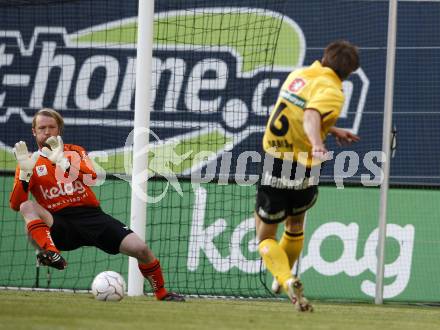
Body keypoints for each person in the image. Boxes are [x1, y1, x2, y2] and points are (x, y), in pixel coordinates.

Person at [9, 108, 184, 302]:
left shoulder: (74, 152)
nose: (47, 132)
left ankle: (162, 293)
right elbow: (16, 204)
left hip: (91, 217)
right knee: (28, 207)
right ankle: (51, 253)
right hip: (59, 223)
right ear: (34, 131)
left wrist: (63, 162)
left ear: (59, 130)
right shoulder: (28, 162)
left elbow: (91, 178)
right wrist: (25, 175)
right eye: (42, 128)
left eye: (52, 127)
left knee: (140, 248)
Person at [255, 40, 361, 312]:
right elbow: (312, 115)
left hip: (275, 159)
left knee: (265, 237)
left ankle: (285, 277)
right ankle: (285, 277)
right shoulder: (334, 91)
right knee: (295, 225)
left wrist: (332, 130)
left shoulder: (300, 75)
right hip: (305, 165)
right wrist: (317, 142)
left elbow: (303, 110)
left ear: (324, 57)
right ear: (349, 73)